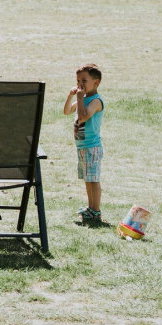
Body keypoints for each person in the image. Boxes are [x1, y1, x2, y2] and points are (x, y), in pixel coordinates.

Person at [63, 63, 105, 225]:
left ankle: (96, 210)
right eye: (78, 80)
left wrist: (80, 99)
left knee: (93, 179)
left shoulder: (95, 101)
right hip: (82, 147)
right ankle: (90, 208)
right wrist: (70, 96)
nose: (80, 84)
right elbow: (67, 111)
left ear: (96, 83)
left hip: (92, 147)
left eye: (84, 80)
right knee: (88, 178)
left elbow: (82, 117)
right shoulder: (84, 99)